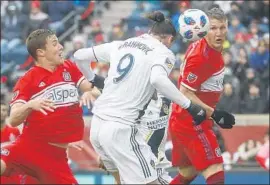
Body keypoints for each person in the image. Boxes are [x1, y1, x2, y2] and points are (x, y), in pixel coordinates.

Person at [74, 11, 209, 184]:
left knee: (120, 181)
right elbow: (158, 79)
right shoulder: (162, 52)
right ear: (169, 39)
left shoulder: (122, 44)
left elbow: (79, 56)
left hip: (98, 125)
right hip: (121, 128)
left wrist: (93, 79)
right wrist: (189, 105)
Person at [0, 29, 94, 184]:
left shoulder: (68, 67)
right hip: (30, 146)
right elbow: (14, 118)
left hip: (55, 157)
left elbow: (91, 88)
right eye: (55, 43)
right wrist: (30, 105)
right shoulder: (28, 79)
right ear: (41, 52)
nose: (61, 47)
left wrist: (89, 92)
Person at [169, 8, 235, 184]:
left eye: (222, 27)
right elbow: (185, 92)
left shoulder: (209, 49)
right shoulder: (202, 56)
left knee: (188, 173)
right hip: (191, 121)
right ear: (205, 28)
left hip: (183, 118)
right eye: (213, 28)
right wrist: (214, 113)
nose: (219, 33)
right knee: (216, 173)